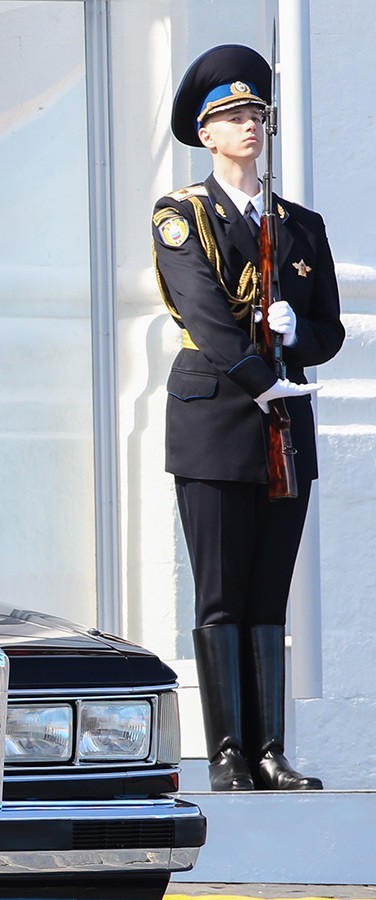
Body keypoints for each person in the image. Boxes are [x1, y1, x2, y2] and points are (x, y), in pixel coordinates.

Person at [153, 44, 343, 790]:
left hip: (284, 429)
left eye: (257, 113)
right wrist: (264, 378)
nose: (250, 126)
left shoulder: (301, 225)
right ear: (205, 133)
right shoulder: (183, 217)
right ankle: (230, 751)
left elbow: (328, 330)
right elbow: (205, 314)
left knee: (271, 592)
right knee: (223, 592)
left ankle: (271, 750)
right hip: (218, 419)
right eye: (233, 116)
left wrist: (298, 334)